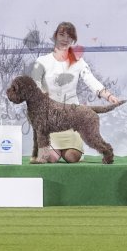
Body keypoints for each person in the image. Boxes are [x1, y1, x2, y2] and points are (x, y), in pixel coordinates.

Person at [29, 21, 120, 163]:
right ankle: (50, 150)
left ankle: (97, 151)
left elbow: (91, 80)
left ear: (73, 40)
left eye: (69, 36)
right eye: (62, 34)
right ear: (55, 36)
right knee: (50, 158)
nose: (65, 39)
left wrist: (108, 96)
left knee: (72, 157)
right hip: (50, 120)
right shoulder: (41, 61)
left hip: (73, 118)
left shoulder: (79, 62)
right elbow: (34, 85)